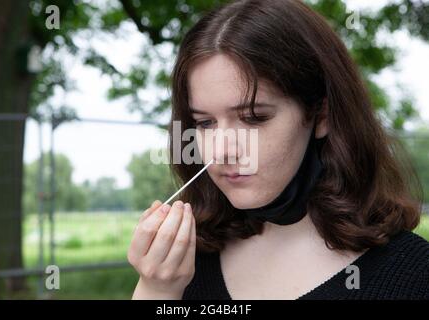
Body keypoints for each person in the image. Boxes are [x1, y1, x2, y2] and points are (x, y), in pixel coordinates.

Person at [128, 0, 429, 300]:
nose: (222, 152)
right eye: (205, 123)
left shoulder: (413, 275)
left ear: (321, 114)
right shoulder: (184, 266)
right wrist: (157, 290)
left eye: (253, 118)